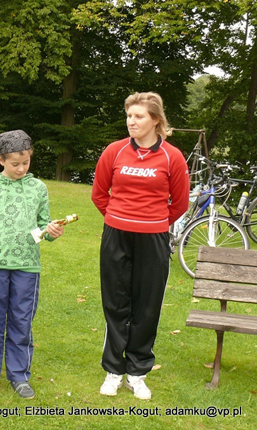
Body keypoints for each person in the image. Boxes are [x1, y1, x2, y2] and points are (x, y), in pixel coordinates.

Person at [91, 92, 189, 400]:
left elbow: (180, 203)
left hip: (154, 239)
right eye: (129, 116)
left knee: (146, 305)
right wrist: (120, 219)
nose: (131, 121)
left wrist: (152, 222)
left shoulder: (172, 156)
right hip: (116, 236)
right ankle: (113, 369)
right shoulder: (114, 151)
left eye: (139, 117)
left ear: (156, 121)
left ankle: (137, 371)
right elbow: (99, 194)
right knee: (116, 302)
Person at [0, 130, 64, 400]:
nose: (21, 169)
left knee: (22, 321)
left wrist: (52, 232)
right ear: (0, 160)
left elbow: (44, 226)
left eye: (26, 163)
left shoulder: (38, 188)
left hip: (27, 267)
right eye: (15, 164)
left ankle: (19, 376)